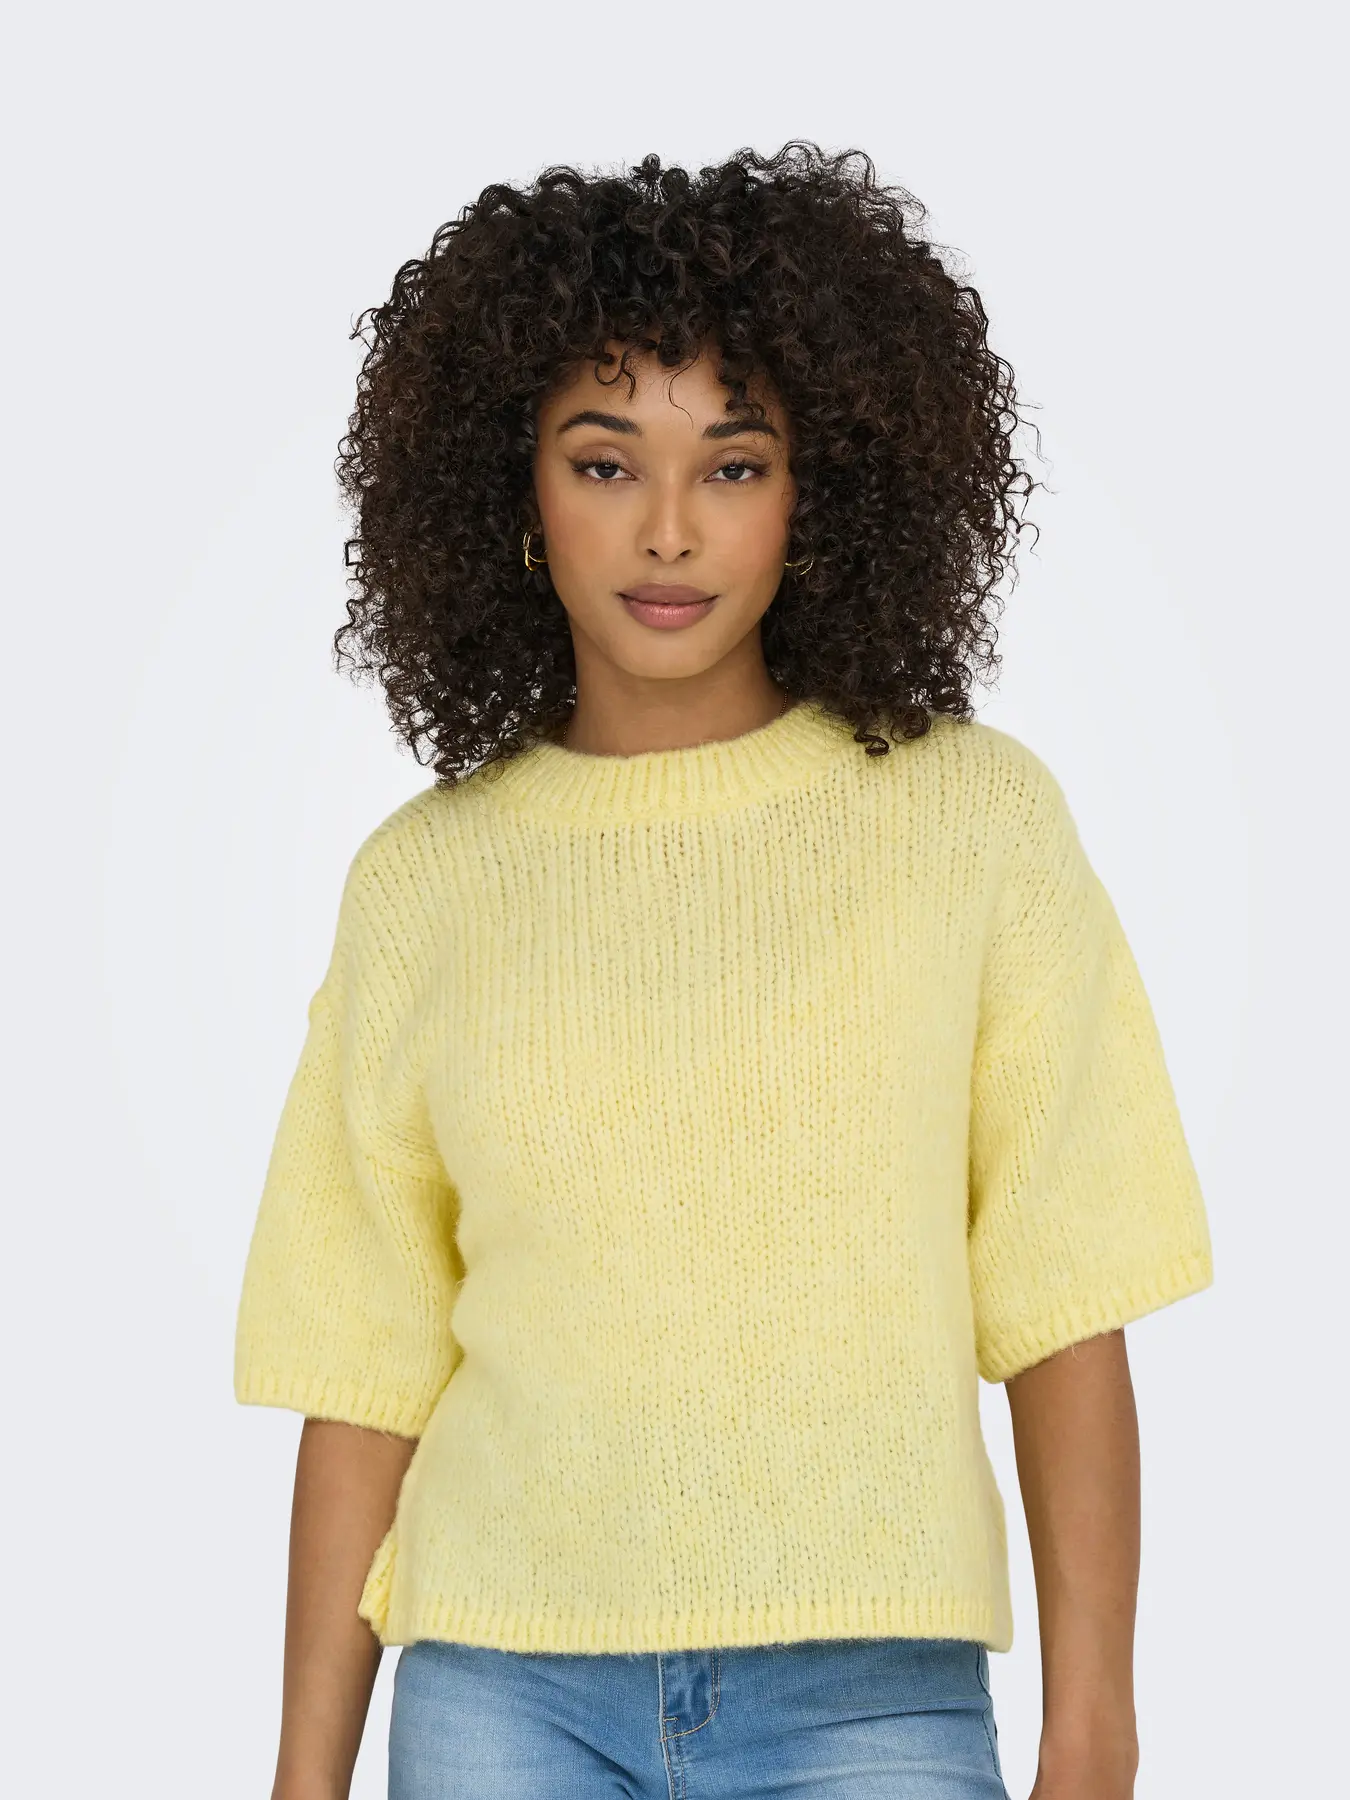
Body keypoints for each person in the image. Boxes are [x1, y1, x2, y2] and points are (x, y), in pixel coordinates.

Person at [233, 143, 1214, 1800]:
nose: (669, 530)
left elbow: (1063, 1301)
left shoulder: (973, 824)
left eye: (734, 464)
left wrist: (1095, 1734)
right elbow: (364, 1369)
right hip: (500, 1696)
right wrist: (299, 1781)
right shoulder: (424, 882)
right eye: (604, 462)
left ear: (820, 489)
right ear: (511, 490)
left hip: (869, 1703)